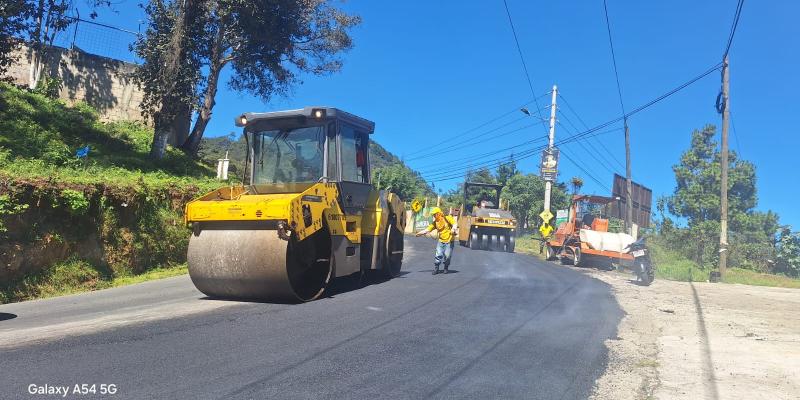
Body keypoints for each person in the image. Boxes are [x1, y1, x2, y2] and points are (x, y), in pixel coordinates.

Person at [416, 207, 457, 275]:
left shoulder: (447, 218)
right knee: (438, 255)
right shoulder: (435, 223)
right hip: (441, 241)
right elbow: (427, 230)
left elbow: (454, 224)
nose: (434, 216)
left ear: (438, 214)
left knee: (447, 256)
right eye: (433, 215)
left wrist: (453, 229)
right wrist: (419, 233)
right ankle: (436, 268)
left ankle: (446, 267)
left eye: (434, 214)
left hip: (449, 241)